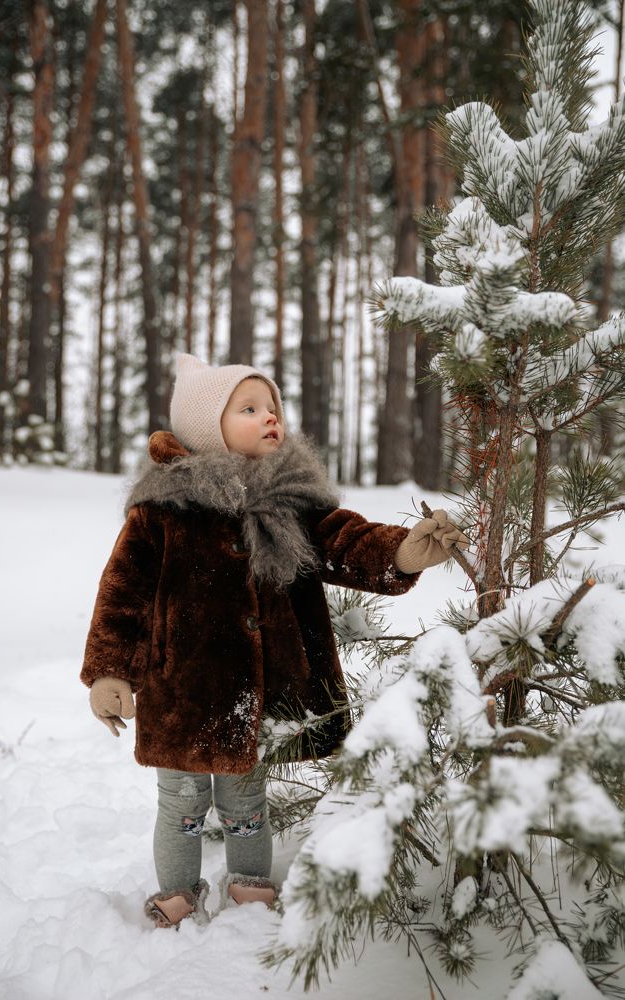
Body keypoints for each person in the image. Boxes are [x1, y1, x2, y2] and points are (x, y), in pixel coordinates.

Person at [80, 353, 468, 930]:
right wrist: (110, 671)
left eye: (273, 408)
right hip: (180, 690)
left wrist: (402, 552)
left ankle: (250, 886)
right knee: (181, 802)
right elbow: (122, 593)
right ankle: (178, 892)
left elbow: (347, 542)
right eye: (249, 408)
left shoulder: (294, 500)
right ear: (206, 427)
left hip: (256, 693)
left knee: (245, 800)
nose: (270, 418)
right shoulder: (163, 510)